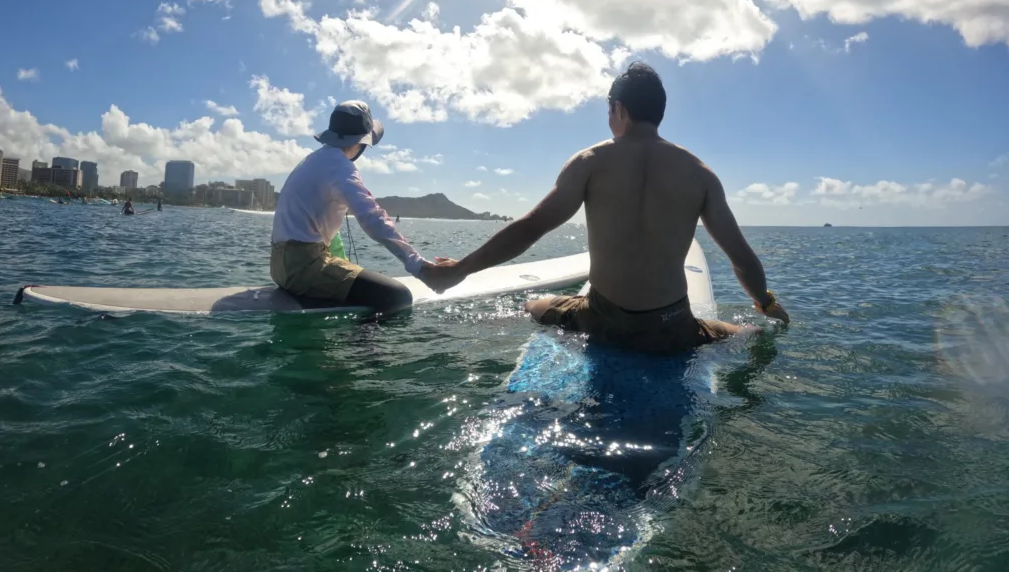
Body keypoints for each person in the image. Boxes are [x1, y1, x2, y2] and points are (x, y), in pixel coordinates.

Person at [430, 62, 790, 355]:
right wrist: (766, 302)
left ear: (618, 108)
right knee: (748, 332)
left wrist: (460, 269)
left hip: (602, 323)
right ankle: (757, 324)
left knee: (533, 306)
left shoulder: (590, 162)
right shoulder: (700, 175)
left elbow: (530, 227)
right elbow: (741, 258)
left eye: (608, 109)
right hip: (671, 328)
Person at [270, 100, 444, 318]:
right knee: (397, 296)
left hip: (279, 267)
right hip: (303, 270)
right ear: (361, 143)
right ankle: (360, 350)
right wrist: (420, 267)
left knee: (366, 280)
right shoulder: (340, 167)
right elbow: (374, 219)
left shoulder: (313, 160)